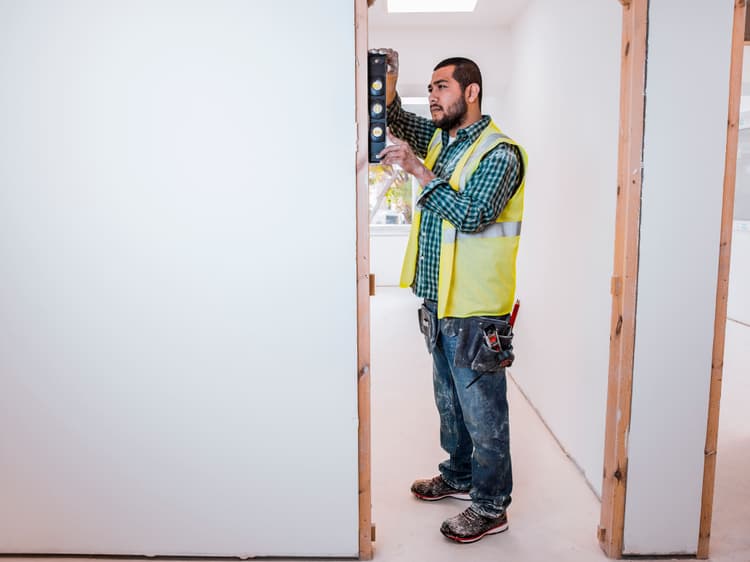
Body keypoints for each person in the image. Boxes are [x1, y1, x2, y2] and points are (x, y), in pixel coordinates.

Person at [374, 48, 527, 544]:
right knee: (449, 403)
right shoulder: (444, 140)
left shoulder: (500, 153)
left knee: (483, 412)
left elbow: (473, 214)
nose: (432, 96)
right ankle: (459, 476)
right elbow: (396, 116)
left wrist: (419, 173)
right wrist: (389, 77)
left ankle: (490, 505)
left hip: (478, 309)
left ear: (471, 91)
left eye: (441, 87)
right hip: (439, 302)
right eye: (431, 88)